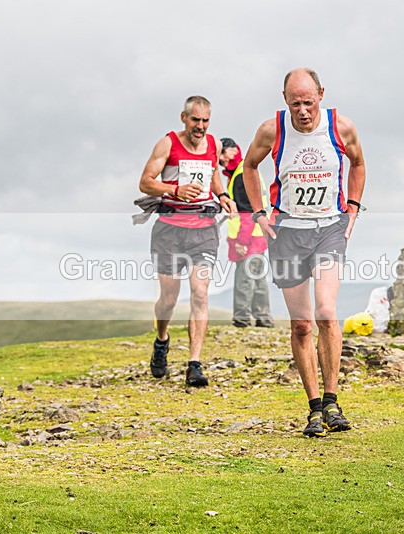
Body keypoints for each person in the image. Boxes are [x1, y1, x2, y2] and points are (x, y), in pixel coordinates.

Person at [242, 68, 366, 437]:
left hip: (329, 228)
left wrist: (354, 207)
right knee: (301, 325)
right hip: (287, 233)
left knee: (327, 313)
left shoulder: (341, 127)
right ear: (285, 100)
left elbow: (358, 163)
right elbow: (249, 166)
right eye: (295, 103)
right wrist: (260, 214)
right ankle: (314, 407)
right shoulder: (272, 130)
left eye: (308, 102)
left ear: (321, 95)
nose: (303, 111)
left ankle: (333, 401)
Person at [138, 96, 236, 387]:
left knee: (200, 293)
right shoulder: (167, 144)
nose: (201, 127)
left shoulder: (214, 144)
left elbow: (214, 173)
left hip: (203, 230)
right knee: (168, 300)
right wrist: (174, 189)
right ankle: (162, 339)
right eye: (195, 120)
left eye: (206, 121)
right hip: (169, 228)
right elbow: (145, 182)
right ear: (184, 118)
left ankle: (194, 364)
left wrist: (222, 196)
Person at [219, 137, 275, 328]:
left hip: (249, 236)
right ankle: (263, 318)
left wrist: (241, 241)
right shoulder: (244, 171)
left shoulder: (241, 174)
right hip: (259, 235)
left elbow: (247, 212)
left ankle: (242, 319)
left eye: (222, 153)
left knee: (244, 279)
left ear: (233, 150)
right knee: (258, 278)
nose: (220, 160)